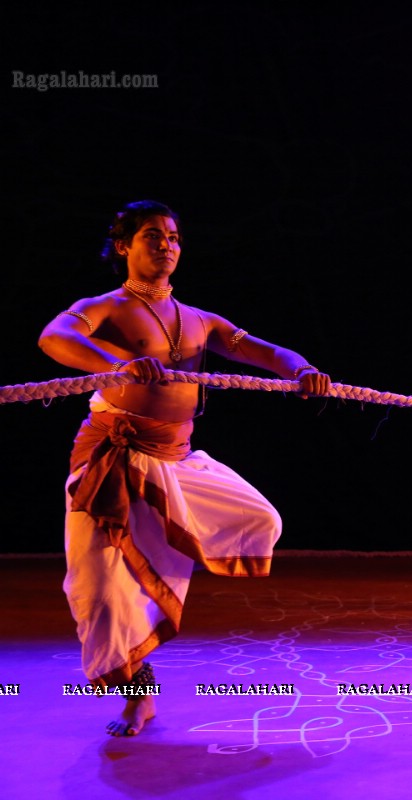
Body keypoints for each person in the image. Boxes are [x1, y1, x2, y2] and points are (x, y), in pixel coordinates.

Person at [38, 200, 331, 736]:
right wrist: (117, 365)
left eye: (173, 237)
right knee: (97, 592)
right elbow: (55, 337)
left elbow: (264, 351)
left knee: (259, 519)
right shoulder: (102, 308)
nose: (167, 245)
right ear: (124, 246)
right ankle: (136, 691)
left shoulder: (199, 321)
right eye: (153, 236)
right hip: (111, 458)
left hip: (177, 461)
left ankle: (159, 560)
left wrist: (302, 369)